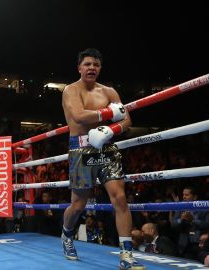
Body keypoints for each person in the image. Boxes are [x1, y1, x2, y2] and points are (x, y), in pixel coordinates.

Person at [61, 48, 144, 269]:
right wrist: (109, 114)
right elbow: (79, 115)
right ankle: (67, 234)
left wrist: (111, 130)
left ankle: (126, 256)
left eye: (95, 65)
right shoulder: (71, 90)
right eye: (87, 64)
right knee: (78, 205)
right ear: (79, 67)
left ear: (100, 68)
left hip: (107, 149)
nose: (91, 68)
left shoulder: (109, 91)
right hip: (81, 150)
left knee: (120, 199)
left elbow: (127, 120)